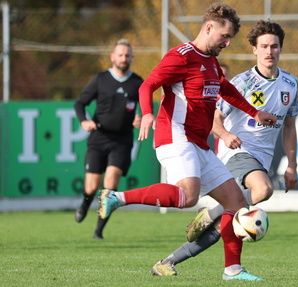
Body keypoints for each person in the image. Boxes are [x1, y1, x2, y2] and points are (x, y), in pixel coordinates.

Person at [97, 3, 277, 281]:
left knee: (236, 200)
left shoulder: (211, 62)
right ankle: (116, 197)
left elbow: (225, 88)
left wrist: (255, 112)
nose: (227, 43)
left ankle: (233, 270)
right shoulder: (181, 56)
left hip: (199, 143)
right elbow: (147, 85)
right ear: (209, 28)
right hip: (175, 135)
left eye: (230, 38)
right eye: (224, 37)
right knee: (188, 196)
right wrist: (146, 114)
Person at [150, 20, 298, 277]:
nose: (269, 51)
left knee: (227, 221)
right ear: (254, 49)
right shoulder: (243, 82)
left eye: (274, 46)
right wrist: (225, 134)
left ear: (280, 49)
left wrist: (292, 165)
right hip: (236, 153)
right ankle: (213, 215)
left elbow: (289, 127)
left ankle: (171, 260)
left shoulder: (291, 84)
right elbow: (214, 117)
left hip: (261, 159)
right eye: (263, 46)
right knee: (263, 189)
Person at [74, 39, 143, 239]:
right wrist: (83, 121)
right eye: (120, 55)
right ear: (113, 57)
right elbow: (80, 103)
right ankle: (85, 203)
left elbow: (145, 106)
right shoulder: (101, 79)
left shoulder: (137, 82)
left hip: (122, 141)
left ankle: (98, 231)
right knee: (91, 187)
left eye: (127, 55)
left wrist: (142, 116)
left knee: (110, 184)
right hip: (99, 138)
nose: (124, 58)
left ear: (131, 58)